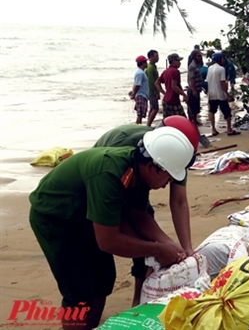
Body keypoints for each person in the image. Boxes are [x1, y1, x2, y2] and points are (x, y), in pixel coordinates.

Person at [29, 127, 195, 329]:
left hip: (88, 216)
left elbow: (139, 216)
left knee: (104, 279)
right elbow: (108, 241)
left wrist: (168, 243)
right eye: (168, 177)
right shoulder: (110, 172)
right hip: (55, 217)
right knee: (78, 291)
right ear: (153, 166)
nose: (168, 183)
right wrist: (156, 250)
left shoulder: (140, 173)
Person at [94, 115, 199, 307]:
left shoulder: (175, 156)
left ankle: (141, 296)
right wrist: (156, 248)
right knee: (125, 237)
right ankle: (136, 298)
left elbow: (179, 201)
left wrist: (186, 248)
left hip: (140, 181)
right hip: (109, 186)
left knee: (147, 227)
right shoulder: (133, 148)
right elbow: (116, 204)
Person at [206, 52, 240, 136]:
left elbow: (207, 81)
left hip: (211, 93)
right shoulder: (221, 69)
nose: (224, 60)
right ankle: (229, 129)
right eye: (222, 58)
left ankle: (213, 129)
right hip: (220, 94)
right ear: (219, 59)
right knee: (227, 112)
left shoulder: (209, 68)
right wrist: (227, 94)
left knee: (212, 111)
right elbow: (223, 83)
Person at [155, 53, 187, 118]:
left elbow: (157, 83)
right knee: (182, 120)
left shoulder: (166, 71)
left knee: (168, 122)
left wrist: (164, 93)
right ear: (173, 61)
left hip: (166, 100)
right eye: (178, 61)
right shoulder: (175, 71)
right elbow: (174, 86)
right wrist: (184, 94)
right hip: (173, 100)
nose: (180, 63)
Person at [187, 49, 205, 126]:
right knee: (192, 107)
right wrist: (194, 90)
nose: (200, 57)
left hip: (197, 89)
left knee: (196, 106)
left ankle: (194, 120)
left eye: (200, 55)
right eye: (198, 56)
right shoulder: (192, 66)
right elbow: (192, 78)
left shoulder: (197, 65)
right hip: (192, 90)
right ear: (194, 56)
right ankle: (191, 121)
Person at [130, 55, 149, 124]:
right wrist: (133, 94)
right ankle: (137, 126)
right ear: (143, 63)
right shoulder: (140, 73)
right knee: (140, 114)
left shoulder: (141, 72)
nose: (147, 63)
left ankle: (138, 125)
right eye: (146, 62)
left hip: (142, 94)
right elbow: (137, 85)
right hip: (141, 95)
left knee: (140, 114)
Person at [144, 49, 160, 126]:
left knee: (152, 108)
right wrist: (156, 92)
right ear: (150, 57)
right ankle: (148, 124)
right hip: (152, 92)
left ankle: (148, 123)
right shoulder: (150, 68)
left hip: (151, 91)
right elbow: (151, 82)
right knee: (155, 109)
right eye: (156, 56)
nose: (158, 58)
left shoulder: (153, 66)